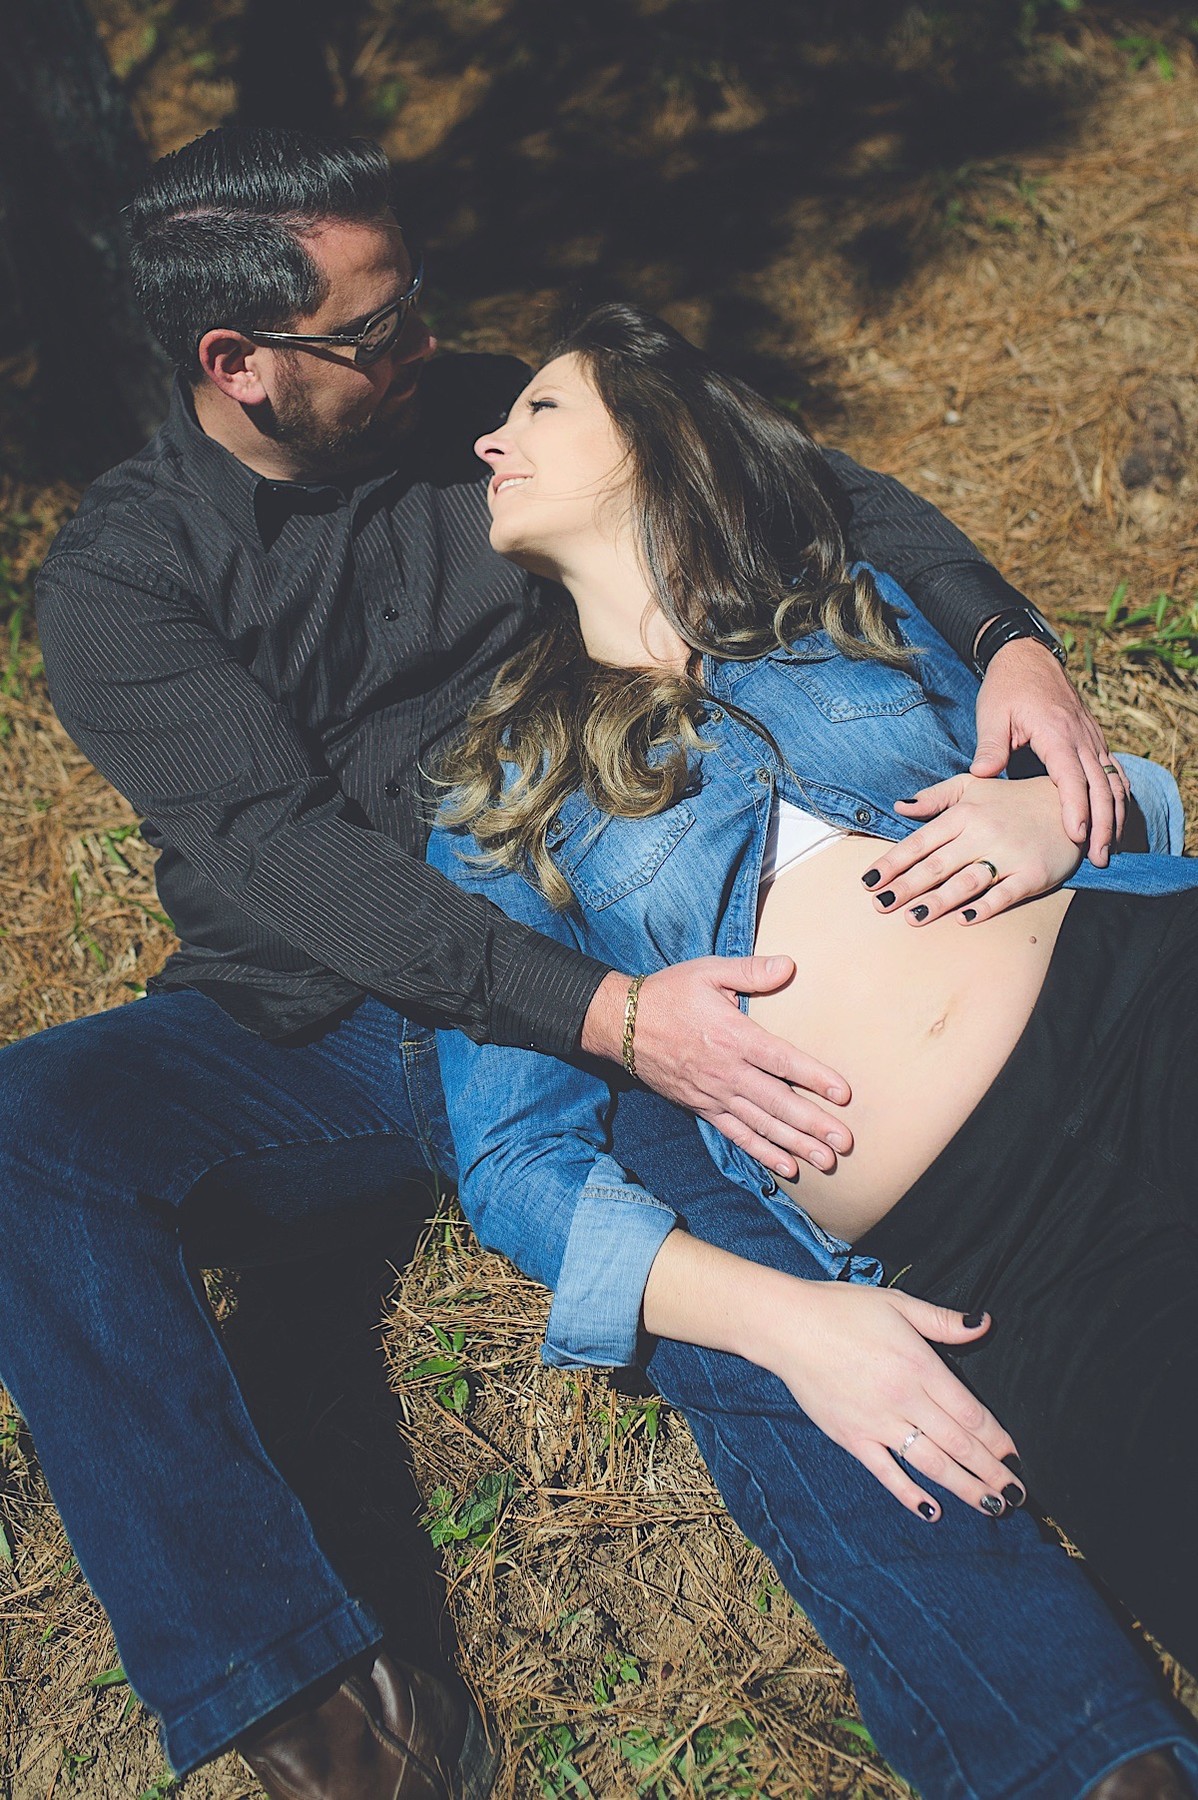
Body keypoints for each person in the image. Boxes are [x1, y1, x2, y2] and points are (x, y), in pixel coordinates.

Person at [2, 121, 1159, 1798]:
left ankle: (1079, 1757)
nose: (425, 354)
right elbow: (282, 860)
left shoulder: (490, 425)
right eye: (371, 330)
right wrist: (606, 1020)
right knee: (27, 1128)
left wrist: (1007, 637)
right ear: (235, 364)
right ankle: (292, 1687)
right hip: (315, 1018)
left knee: (741, 1268)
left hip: (586, 928)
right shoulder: (119, 583)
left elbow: (810, 486)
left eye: (417, 306)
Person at [430, 302, 1198, 1799]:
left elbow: (1135, 803)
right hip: (995, 1241)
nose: (489, 440)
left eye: (538, 410)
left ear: (653, 438)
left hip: (1146, 995)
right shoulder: (502, 789)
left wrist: (1060, 814)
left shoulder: (836, 602)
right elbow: (511, 1165)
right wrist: (786, 1324)